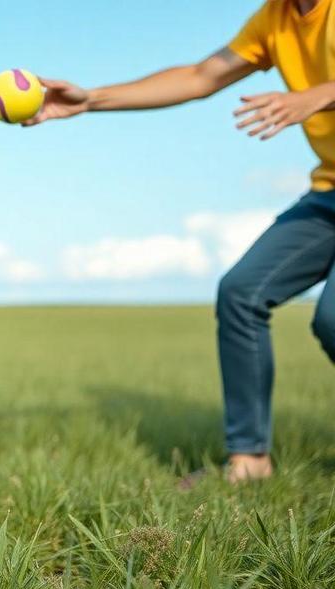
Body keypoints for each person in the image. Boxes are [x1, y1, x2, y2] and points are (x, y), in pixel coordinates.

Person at [27, 0, 335, 483]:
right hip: (328, 194)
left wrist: (319, 94)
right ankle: (250, 462)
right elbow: (199, 76)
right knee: (241, 292)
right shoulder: (275, 19)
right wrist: (90, 100)